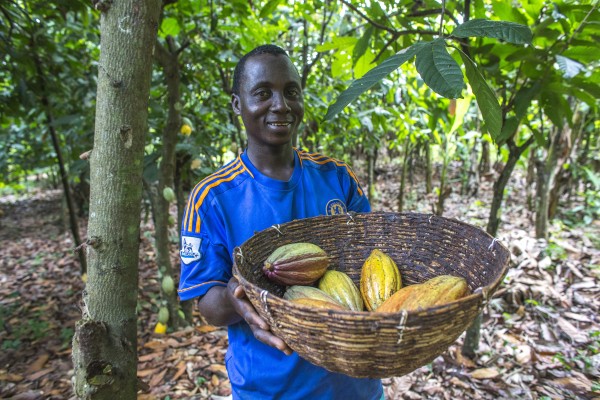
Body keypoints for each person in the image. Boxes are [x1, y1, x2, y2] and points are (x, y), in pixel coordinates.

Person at [178, 44, 383, 400]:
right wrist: (238, 295)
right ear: (237, 104)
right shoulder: (211, 198)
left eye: (291, 92)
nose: (280, 105)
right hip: (270, 389)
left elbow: (372, 260)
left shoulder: (337, 178)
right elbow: (207, 304)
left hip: (354, 385)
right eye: (262, 93)